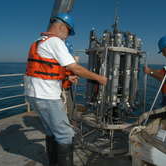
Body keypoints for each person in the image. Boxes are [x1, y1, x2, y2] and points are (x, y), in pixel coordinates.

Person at [25, 13, 107, 166]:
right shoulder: (55, 41)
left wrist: (67, 78)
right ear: (62, 25)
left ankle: (54, 163)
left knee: (50, 130)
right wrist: (99, 78)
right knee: (66, 135)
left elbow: (46, 69)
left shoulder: (39, 40)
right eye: (69, 32)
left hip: (33, 95)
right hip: (47, 96)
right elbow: (76, 68)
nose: (67, 36)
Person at [61, 40, 80, 133]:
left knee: (72, 108)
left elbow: (75, 71)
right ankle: (62, 130)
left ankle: (75, 127)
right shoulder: (58, 60)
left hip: (68, 89)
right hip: (58, 90)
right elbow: (59, 73)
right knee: (61, 110)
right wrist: (73, 62)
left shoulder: (69, 62)